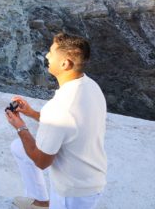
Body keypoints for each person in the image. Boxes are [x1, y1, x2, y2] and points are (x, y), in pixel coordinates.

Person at [6, 33, 107, 209]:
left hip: (73, 191)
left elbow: (41, 162)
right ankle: (40, 202)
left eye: (51, 53)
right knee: (18, 147)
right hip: (89, 175)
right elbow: (67, 124)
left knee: (25, 144)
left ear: (65, 63)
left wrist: (21, 127)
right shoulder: (89, 85)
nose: (46, 56)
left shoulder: (60, 108)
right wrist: (31, 113)